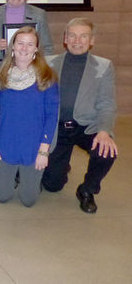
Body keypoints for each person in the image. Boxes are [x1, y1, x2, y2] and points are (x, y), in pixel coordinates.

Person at [41, 18, 118, 213]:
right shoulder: (49, 63)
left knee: (106, 150)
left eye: (83, 36)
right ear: (65, 38)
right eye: (73, 35)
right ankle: (61, 167)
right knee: (52, 186)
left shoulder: (103, 66)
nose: (77, 40)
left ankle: (87, 190)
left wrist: (104, 131)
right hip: (58, 128)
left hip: (87, 126)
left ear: (91, 40)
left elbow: (106, 103)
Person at [0, 27, 59, 207]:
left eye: (30, 44)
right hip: (5, 144)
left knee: (28, 200)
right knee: (3, 197)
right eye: (20, 43)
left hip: (33, 146)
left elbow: (51, 116)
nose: (24, 48)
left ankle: (28, 179)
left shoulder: (47, 77)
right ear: (12, 47)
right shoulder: (0, 76)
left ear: (36, 49)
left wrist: (44, 151)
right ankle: (12, 176)